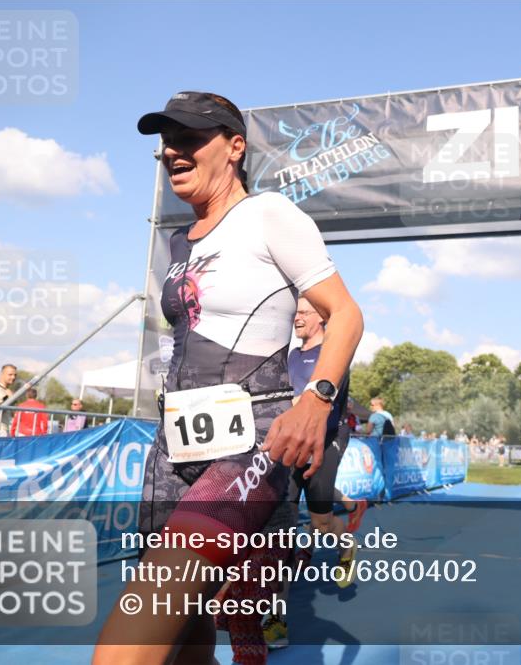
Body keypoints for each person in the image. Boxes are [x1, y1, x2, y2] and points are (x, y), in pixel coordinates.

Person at [94, 91, 363, 665]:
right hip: (173, 446)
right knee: (187, 630)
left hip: (252, 442)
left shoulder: (269, 215)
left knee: (137, 627)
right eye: (167, 143)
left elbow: (345, 314)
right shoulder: (179, 242)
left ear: (235, 147)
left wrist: (316, 401)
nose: (172, 152)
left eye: (190, 139)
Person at [263, 297, 368, 647]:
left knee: (322, 523)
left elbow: (318, 396)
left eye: (304, 313)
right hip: (293, 442)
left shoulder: (334, 352)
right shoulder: (291, 355)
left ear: (321, 319)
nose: (296, 319)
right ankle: (276, 617)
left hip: (327, 437)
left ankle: (347, 544)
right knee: (282, 530)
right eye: (295, 313)